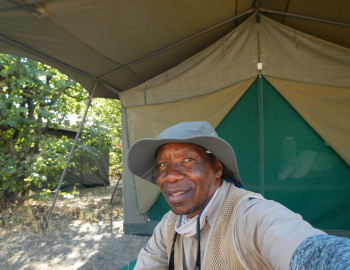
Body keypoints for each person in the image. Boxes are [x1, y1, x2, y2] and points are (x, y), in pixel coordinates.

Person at [127, 121, 350, 269]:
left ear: (217, 168)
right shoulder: (171, 224)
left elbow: (314, 252)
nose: (171, 176)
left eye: (188, 160)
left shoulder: (249, 215)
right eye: (163, 164)